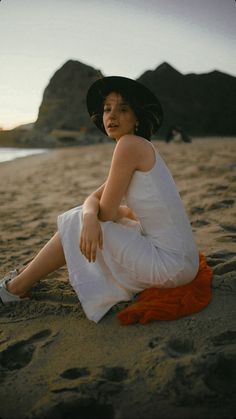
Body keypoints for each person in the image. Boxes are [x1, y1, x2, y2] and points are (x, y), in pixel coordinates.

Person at [0, 76, 199, 323]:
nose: (112, 116)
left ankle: (16, 288)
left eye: (123, 109)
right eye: (107, 109)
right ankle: (22, 280)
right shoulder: (137, 146)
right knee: (84, 218)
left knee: (79, 220)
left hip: (172, 265)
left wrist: (90, 216)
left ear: (137, 118)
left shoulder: (128, 146)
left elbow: (103, 211)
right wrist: (91, 213)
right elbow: (98, 200)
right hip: (182, 260)